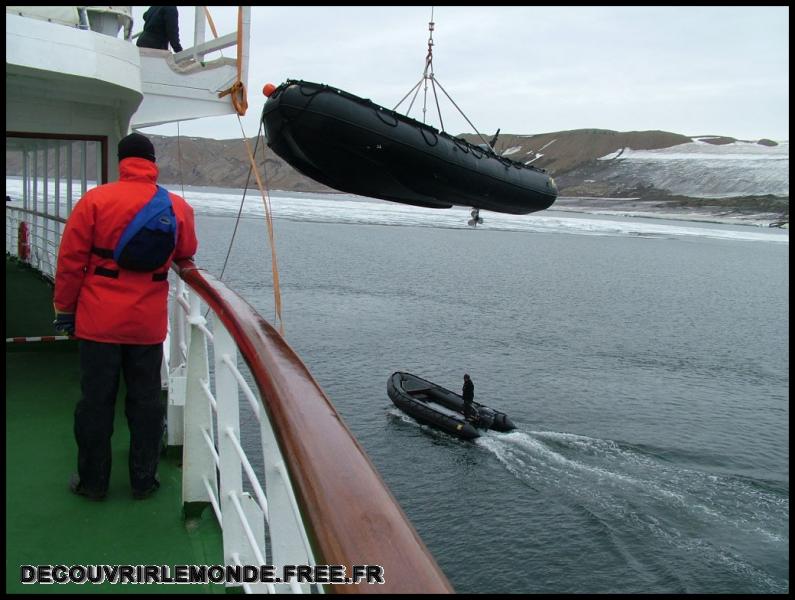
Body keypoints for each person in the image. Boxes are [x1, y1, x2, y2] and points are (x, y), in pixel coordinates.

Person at [54, 132, 197, 500]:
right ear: (152, 163)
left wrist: (65, 309)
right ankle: (143, 481)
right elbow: (187, 249)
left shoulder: (96, 200)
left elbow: (70, 261)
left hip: (98, 321)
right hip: (146, 324)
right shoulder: (176, 206)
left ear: (121, 162)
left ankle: (92, 483)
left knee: (95, 402)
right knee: (146, 402)